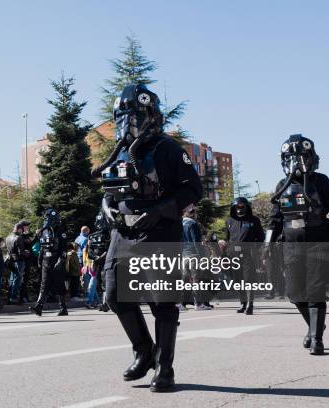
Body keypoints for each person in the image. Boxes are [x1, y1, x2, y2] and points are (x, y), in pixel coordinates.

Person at [94, 84, 202, 392]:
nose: (128, 123)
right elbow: (108, 191)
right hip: (123, 234)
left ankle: (164, 367)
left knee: (162, 304)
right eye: (123, 117)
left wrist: (159, 210)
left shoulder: (167, 148)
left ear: (151, 116)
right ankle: (143, 350)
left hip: (159, 233)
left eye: (135, 116)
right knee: (115, 295)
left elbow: (193, 189)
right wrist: (108, 211)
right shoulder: (118, 152)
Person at [266, 134, 329, 355]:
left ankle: (316, 339)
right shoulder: (282, 185)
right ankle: (316, 326)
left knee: (315, 291)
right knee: (294, 293)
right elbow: (274, 220)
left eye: (301, 157)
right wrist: (267, 244)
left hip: (319, 243)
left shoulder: (321, 181)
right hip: (292, 245)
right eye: (291, 158)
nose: (296, 163)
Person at [226, 197, 265, 315]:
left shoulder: (254, 220)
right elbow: (228, 237)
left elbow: (261, 238)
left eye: (242, 206)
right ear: (234, 207)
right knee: (238, 280)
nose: (240, 208)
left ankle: (250, 305)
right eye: (238, 206)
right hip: (234, 254)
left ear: (247, 206)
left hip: (249, 254)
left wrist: (255, 249)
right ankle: (243, 303)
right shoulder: (229, 221)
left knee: (249, 279)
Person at [30, 209, 69, 316]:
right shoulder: (44, 231)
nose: (47, 220)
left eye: (49, 218)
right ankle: (39, 306)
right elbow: (42, 247)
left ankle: (63, 308)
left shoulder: (61, 232)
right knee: (44, 284)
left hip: (57, 261)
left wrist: (60, 262)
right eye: (46, 218)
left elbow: (64, 249)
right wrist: (39, 260)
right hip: (46, 261)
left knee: (59, 285)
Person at [182, 205, 211, 310]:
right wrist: (202, 256)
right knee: (196, 279)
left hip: (183, 255)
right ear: (193, 213)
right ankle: (198, 303)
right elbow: (196, 242)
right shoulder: (193, 223)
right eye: (195, 213)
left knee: (185, 280)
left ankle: (181, 303)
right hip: (194, 255)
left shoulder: (180, 223)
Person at [86, 211, 111, 312]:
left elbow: (112, 247)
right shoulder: (91, 236)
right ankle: (103, 302)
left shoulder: (110, 234)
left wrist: (104, 255)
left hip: (107, 261)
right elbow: (89, 250)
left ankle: (106, 303)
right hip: (97, 262)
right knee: (98, 283)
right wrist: (96, 257)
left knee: (106, 282)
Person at [5, 222, 27, 304]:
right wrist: (26, 252)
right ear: (19, 229)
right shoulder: (18, 238)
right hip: (19, 261)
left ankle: (9, 297)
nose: (22, 231)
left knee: (12, 279)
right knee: (17, 279)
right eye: (22, 230)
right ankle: (13, 298)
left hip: (11, 261)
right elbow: (21, 252)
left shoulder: (8, 237)